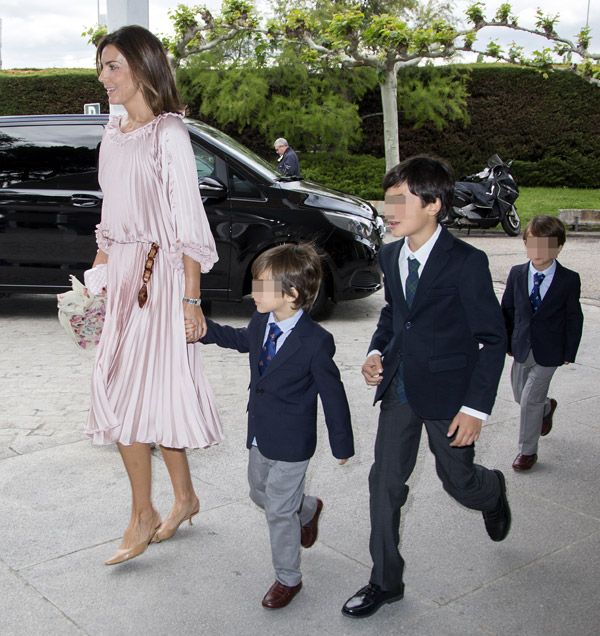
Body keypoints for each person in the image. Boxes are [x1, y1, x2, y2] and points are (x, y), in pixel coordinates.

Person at [341, 155, 510, 619]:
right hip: (399, 387)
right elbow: (395, 315)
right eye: (387, 199)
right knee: (384, 484)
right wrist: (376, 352)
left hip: (450, 394)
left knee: (457, 481)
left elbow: (493, 339)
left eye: (400, 200)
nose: (388, 209)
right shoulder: (391, 255)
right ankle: (385, 581)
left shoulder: (467, 263)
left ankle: (491, 491)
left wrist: (476, 409)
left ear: (433, 204)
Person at [87, 25, 222, 566]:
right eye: (101, 67)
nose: (104, 77)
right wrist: (95, 280)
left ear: (143, 67)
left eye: (113, 65)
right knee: (149, 396)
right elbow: (108, 215)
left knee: (124, 397)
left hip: (160, 281)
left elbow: (188, 221)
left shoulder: (169, 132)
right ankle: (184, 497)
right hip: (121, 278)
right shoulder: (112, 134)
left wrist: (191, 301)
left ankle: (143, 511)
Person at [192, 243, 354, 609]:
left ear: (292, 294)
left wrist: (342, 445)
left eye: (262, 286)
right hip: (259, 434)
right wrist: (203, 330)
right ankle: (308, 508)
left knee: (279, 510)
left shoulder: (316, 342)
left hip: (294, 442)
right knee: (259, 494)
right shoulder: (262, 322)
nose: (253, 293)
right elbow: (239, 341)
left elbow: (333, 395)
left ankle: (288, 578)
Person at [501, 215, 583, 471]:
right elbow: (508, 309)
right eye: (533, 244)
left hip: (550, 350)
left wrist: (570, 350)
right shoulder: (517, 273)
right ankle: (548, 407)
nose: (538, 251)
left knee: (529, 401)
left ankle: (527, 451)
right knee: (519, 395)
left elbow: (573, 317)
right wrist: (506, 341)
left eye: (546, 245)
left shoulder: (569, 279)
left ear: (558, 248)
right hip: (522, 346)